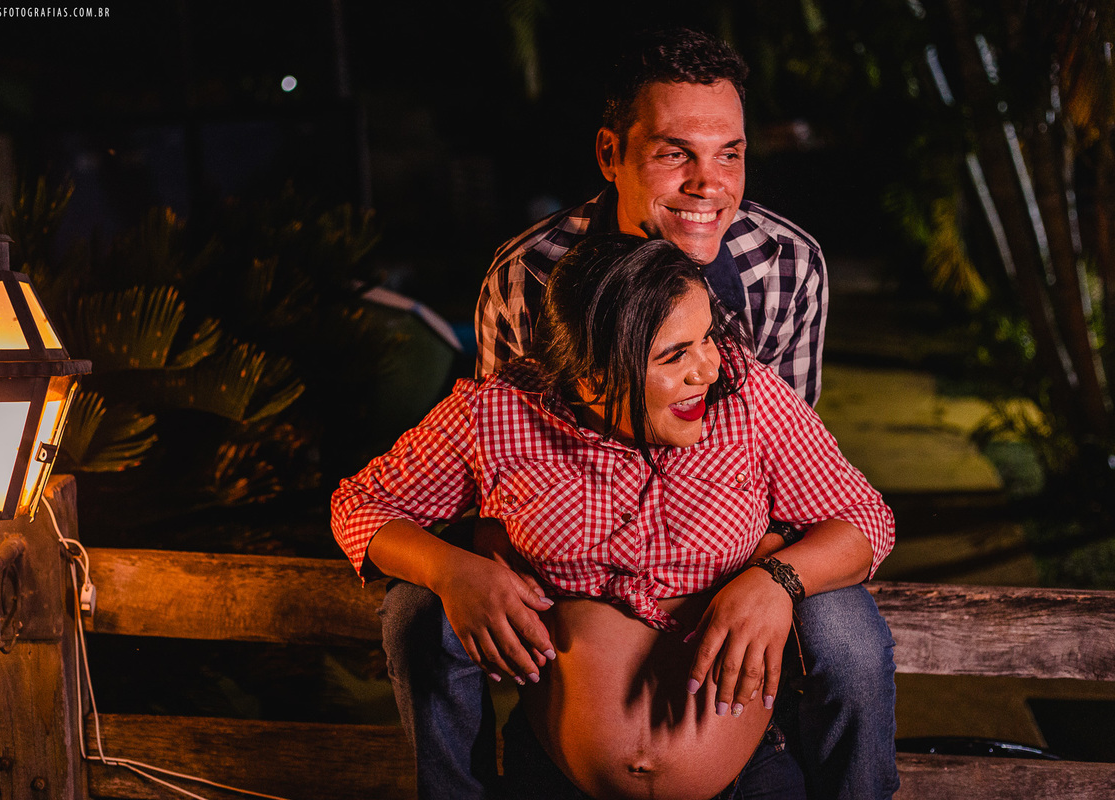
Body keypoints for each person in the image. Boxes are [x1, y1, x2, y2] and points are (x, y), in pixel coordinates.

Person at [385, 27, 900, 800]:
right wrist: (502, 559)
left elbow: (803, 478)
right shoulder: (529, 275)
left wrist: (758, 573)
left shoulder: (787, 265)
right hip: (570, 562)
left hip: (741, 551)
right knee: (416, 613)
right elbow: (510, 461)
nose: (708, 184)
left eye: (730, 152)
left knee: (849, 635)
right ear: (610, 155)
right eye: (674, 153)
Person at [333, 235, 895, 799]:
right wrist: (450, 571)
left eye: (707, 339)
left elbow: (865, 518)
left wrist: (777, 581)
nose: (707, 368)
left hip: (746, 781)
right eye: (674, 355)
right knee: (414, 609)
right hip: (556, 779)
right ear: (589, 378)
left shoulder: (749, 400)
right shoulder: (498, 416)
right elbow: (358, 503)